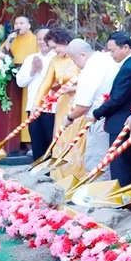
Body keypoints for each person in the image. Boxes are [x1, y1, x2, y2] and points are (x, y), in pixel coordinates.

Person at [91, 31, 131, 202]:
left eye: (113, 50)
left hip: (122, 121)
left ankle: (123, 202)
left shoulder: (130, 67)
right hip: (130, 119)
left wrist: (97, 113)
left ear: (125, 47)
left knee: (120, 166)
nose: (111, 54)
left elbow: (118, 98)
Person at [65, 39, 118, 177]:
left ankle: (96, 195)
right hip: (113, 116)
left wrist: (69, 118)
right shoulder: (106, 58)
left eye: (73, 58)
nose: (74, 63)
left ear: (83, 55)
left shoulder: (90, 69)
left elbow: (83, 106)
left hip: (99, 118)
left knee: (97, 161)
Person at [35, 28, 83, 179]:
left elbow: (91, 80)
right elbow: (46, 83)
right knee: (61, 137)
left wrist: (73, 88)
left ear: (64, 42)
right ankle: (60, 177)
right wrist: (36, 104)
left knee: (78, 140)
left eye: (55, 47)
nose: (54, 51)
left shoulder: (80, 56)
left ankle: (77, 175)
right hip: (63, 104)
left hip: (80, 104)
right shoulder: (55, 60)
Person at [16, 27, 56, 161]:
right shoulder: (31, 58)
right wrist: (33, 71)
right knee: (36, 140)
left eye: (45, 38)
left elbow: (58, 81)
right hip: (33, 106)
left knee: (51, 140)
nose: (42, 41)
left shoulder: (58, 57)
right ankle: (38, 169)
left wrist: (41, 71)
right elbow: (20, 82)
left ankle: (52, 172)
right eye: (39, 39)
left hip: (52, 108)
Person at [1, 16, 39, 147]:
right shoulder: (12, 39)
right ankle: (15, 141)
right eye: (16, 23)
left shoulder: (35, 40)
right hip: (12, 79)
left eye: (22, 23)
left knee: (26, 109)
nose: (18, 26)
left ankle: (28, 141)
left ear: (29, 26)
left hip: (30, 77)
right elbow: (1, 56)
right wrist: (8, 43)